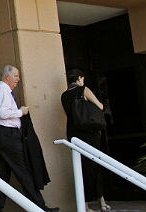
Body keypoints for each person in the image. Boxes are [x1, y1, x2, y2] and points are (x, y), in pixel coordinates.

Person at [0, 65, 58, 212]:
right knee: (23, 170)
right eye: (16, 76)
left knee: (1, 174)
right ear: (7, 77)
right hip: (6, 135)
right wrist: (21, 112)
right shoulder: (2, 91)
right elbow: (2, 113)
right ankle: (39, 207)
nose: (18, 79)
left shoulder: (2, 91)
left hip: (2, 135)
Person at [61, 68, 109, 212]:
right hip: (89, 133)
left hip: (74, 133)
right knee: (95, 166)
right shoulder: (83, 90)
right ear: (80, 78)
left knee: (80, 168)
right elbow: (100, 106)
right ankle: (101, 202)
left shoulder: (64, 96)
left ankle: (85, 205)